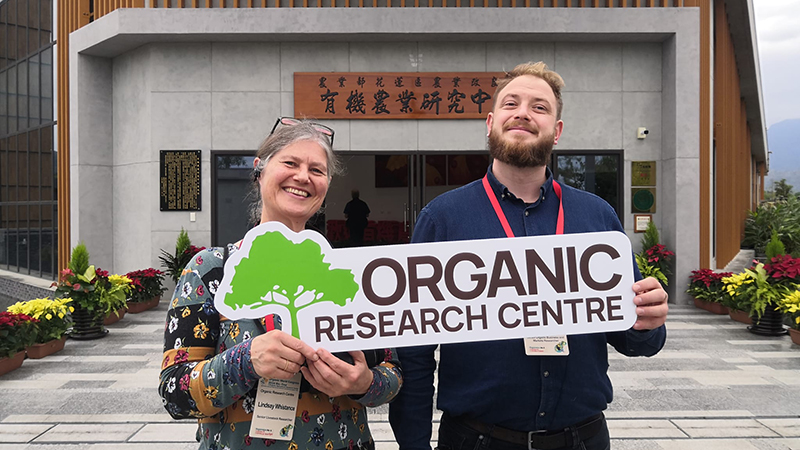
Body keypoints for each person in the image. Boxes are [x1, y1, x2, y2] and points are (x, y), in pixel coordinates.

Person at [388, 62, 668, 450]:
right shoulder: (443, 219)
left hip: (582, 439)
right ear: (490, 123)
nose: (522, 113)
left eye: (539, 107)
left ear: (557, 131)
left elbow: (635, 339)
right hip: (476, 440)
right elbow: (415, 352)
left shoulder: (597, 216)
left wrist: (647, 321)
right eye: (511, 103)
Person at [159, 118, 403, 450]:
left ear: (327, 184)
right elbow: (175, 393)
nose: (303, 176)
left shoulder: (349, 271)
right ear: (260, 170)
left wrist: (363, 383)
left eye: (317, 170)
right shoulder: (212, 270)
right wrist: (245, 361)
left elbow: (393, 370)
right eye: (290, 163)